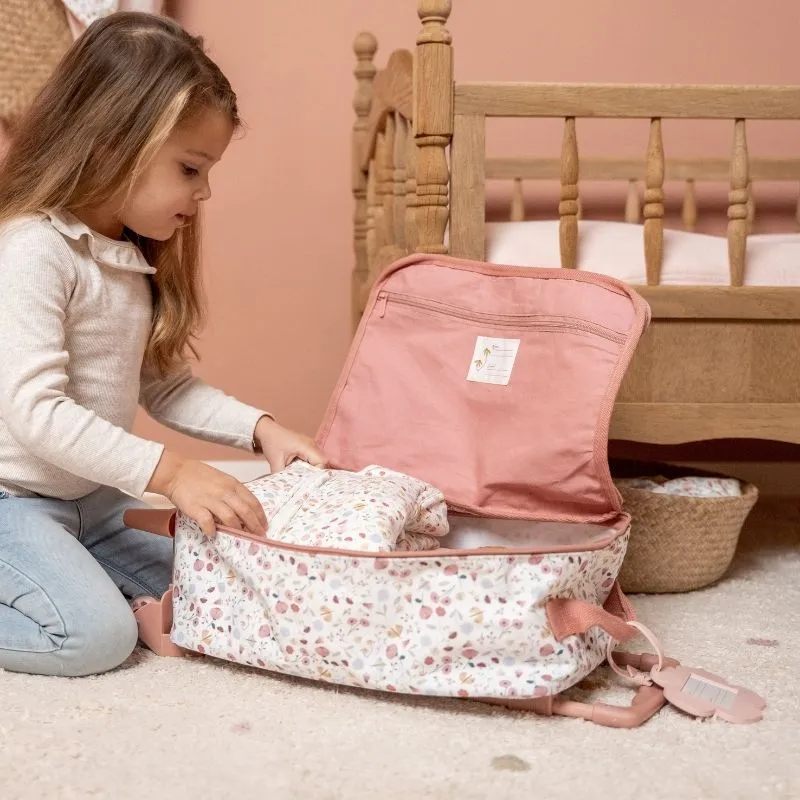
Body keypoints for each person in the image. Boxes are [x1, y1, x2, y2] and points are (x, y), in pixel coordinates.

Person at [0, 12, 326, 677]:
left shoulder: (126, 256)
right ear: (115, 140)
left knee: (225, 583)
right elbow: (36, 414)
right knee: (96, 639)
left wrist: (259, 429)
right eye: (190, 168)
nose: (204, 192)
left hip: (92, 501)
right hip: (13, 501)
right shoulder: (35, 249)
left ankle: (85, 576)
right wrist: (172, 472)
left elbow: (163, 385)